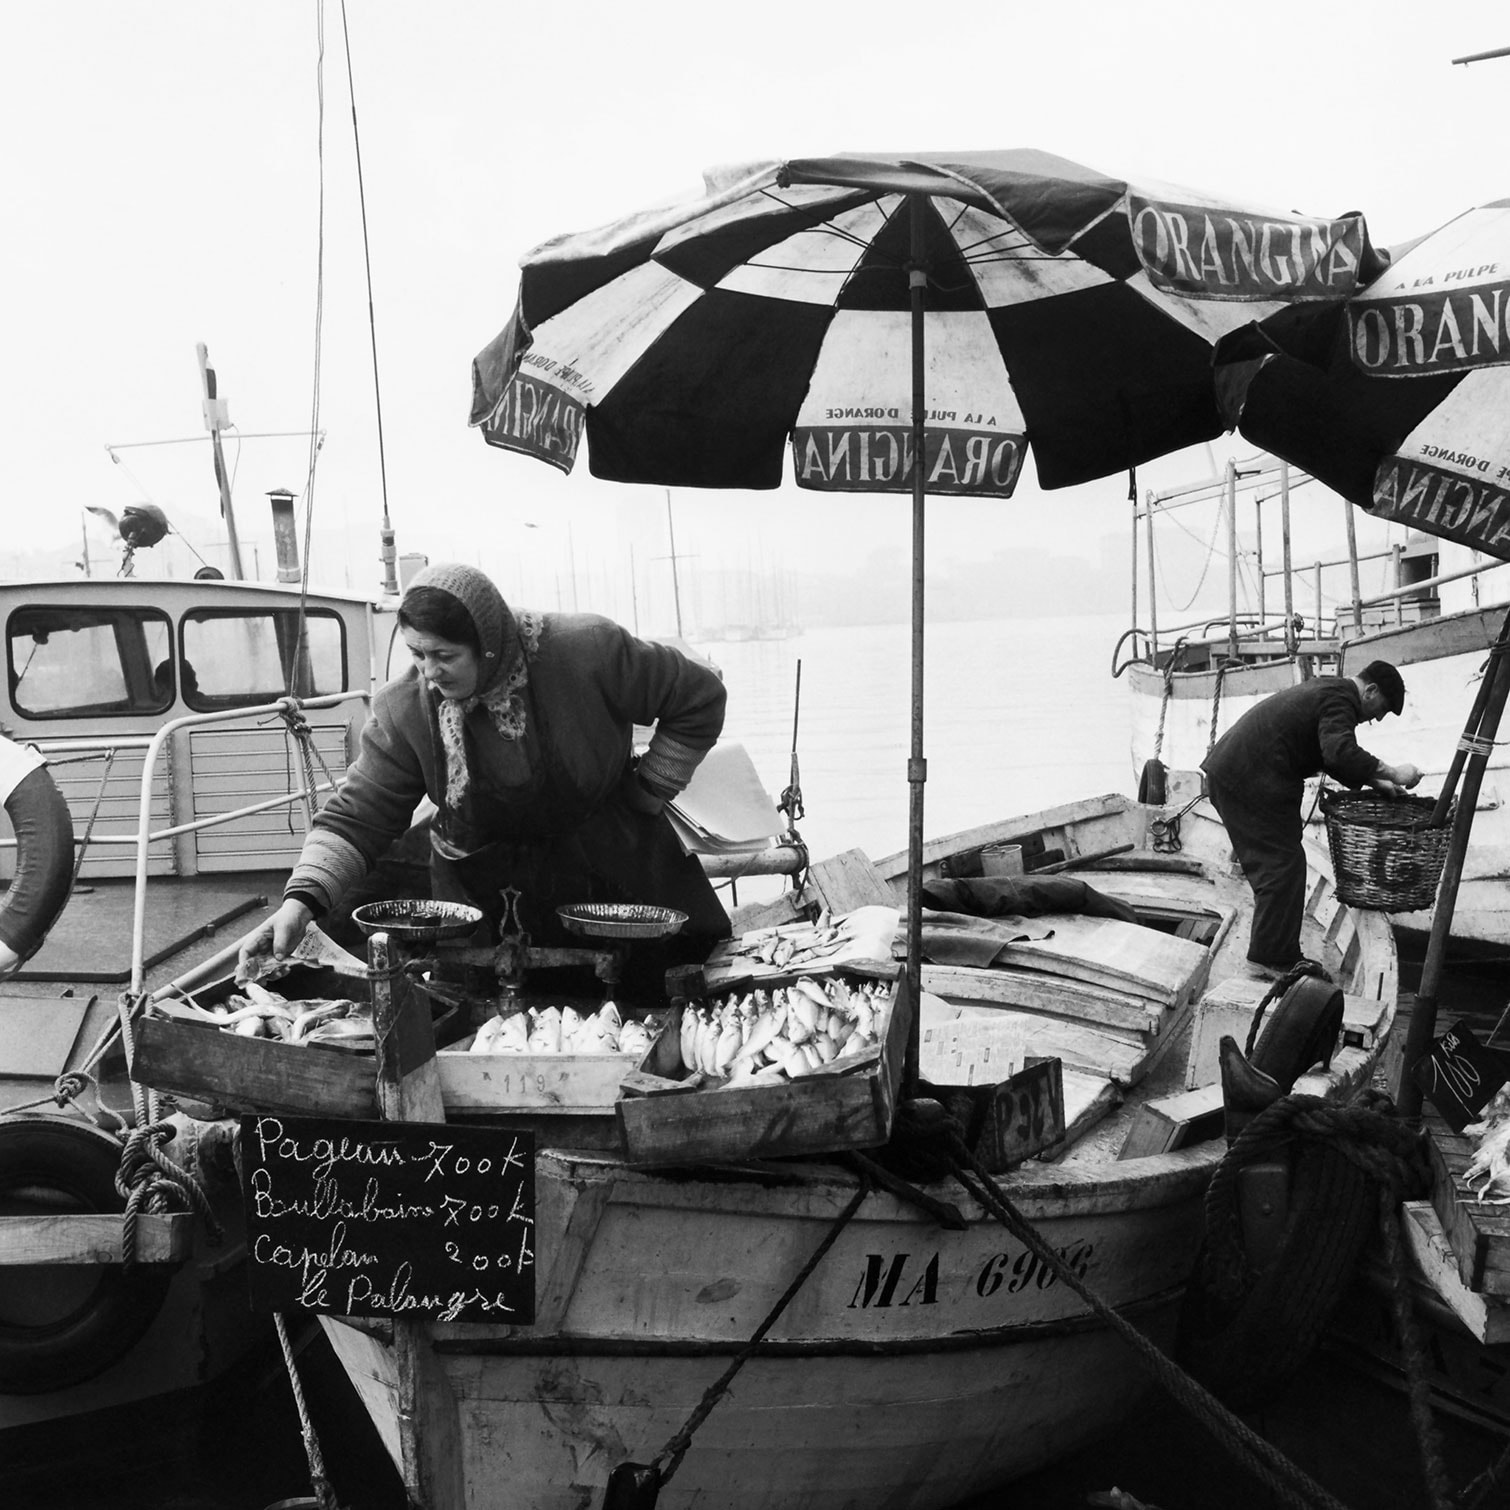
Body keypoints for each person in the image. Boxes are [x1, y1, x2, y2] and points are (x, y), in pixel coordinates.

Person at [237, 562, 731, 992]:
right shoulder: (404, 708)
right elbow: (357, 817)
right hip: (481, 888)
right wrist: (299, 903)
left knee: (648, 990)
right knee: (486, 1010)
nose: (429, 672)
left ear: (488, 646)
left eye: (444, 656)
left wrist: (650, 788)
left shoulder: (589, 651)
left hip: (604, 861)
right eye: (416, 654)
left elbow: (699, 698)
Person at [1201, 659, 1422, 975]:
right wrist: (1395, 772)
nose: (1374, 718)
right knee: (1281, 865)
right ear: (1371, 690)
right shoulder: (1340, 698)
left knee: (1283, 863)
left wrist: (1377, 782)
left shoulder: (1329, 690)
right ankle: (1270, 956)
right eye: (1380, 711)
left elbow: (1326, 752)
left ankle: (1274, 951)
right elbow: (1339, 752)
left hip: (1245, 772)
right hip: (1248, 777)